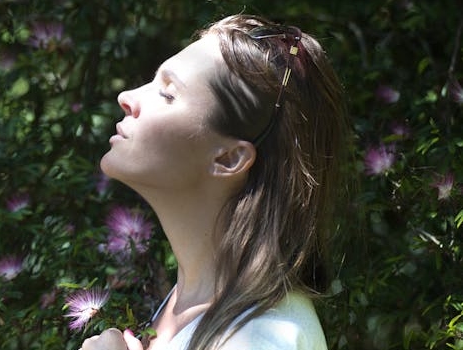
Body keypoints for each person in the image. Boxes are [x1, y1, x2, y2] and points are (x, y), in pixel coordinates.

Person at [82, 14, 350, 350]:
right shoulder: (190, 303)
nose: (127, 96)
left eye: (167, 94)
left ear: (228, 159)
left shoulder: (262, 337)